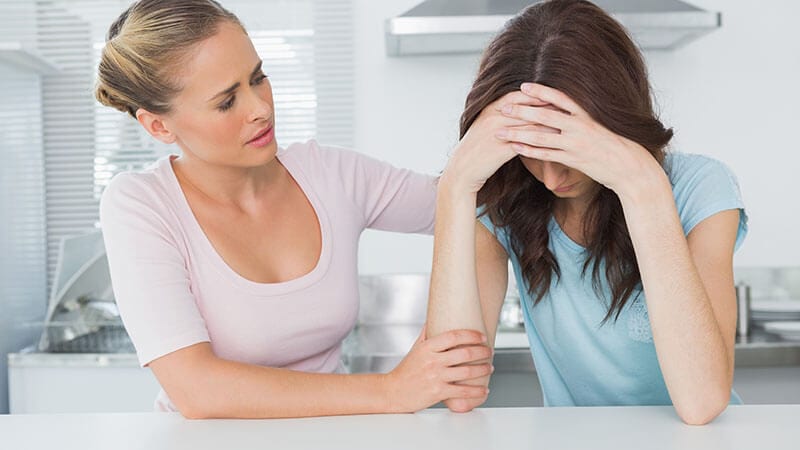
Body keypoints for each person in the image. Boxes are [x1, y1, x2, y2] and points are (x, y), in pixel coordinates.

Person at [95, 0, 492, 419]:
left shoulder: (329, 174)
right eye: (227, 102)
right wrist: (392, 390)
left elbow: (468, 203)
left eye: (258, 78)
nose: (261, 109)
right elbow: (198, 389)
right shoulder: (141, 205)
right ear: (159, 126)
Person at [426, 0, 747, 425]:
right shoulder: (504, 206)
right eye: (531, 150)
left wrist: (642, 187)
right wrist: (455, 186)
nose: (550, 175)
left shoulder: (700, 187)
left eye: (566, 144)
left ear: (613, 119)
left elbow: (702, 403)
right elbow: (459, 392)